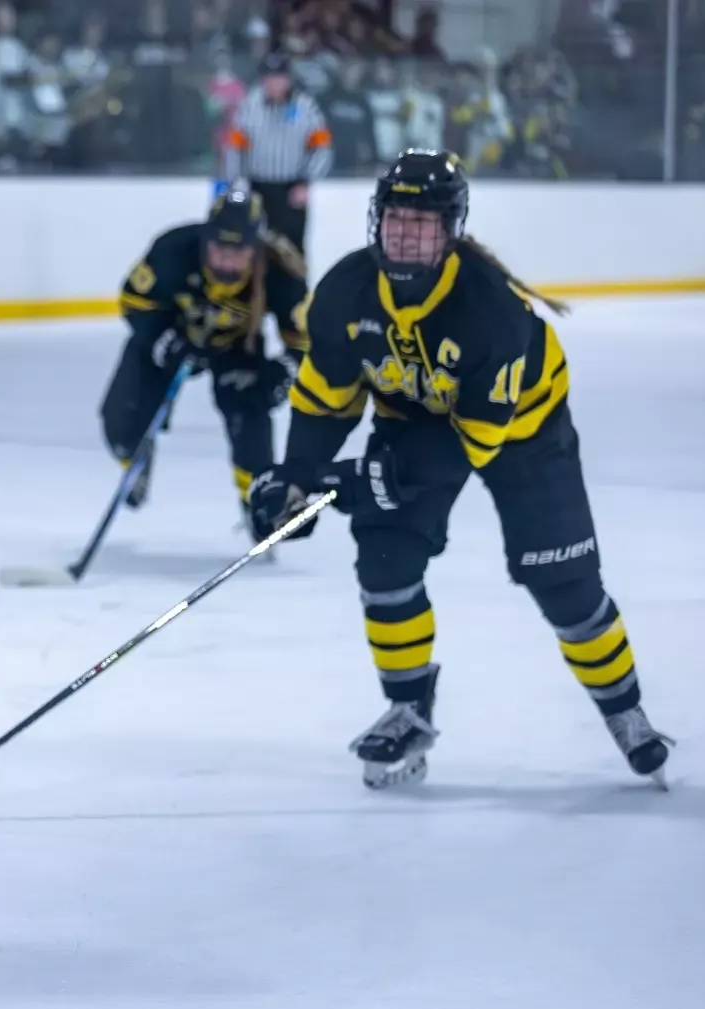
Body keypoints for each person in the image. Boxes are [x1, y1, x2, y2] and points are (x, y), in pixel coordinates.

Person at [246, 150, 671, 789]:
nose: (406, 232)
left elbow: (472, 441)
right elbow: (323, 399)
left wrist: (368, 478)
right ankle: (407, 710)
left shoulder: (488, 311)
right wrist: (297, 476)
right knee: (385, 558)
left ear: (450, 230)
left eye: (423, 221)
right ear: (376, 220)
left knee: (564, 583)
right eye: (395, 218)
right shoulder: (344, 293)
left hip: (524, 431)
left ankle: (625, 711)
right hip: (413, 418)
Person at [108, 185, 309, 517]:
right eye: (219, 248)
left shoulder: (282, 271)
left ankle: (258, 500)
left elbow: (307, 341)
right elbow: (133, 300)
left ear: (257, 250)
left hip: (236, 348)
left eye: (239, 251)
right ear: (205, 239)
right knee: (121, 421)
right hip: (171, 336)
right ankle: (134, 459)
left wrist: (284, 371)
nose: (227, 260)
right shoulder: (174, 249)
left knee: (249, 409)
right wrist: (163, 341)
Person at [219, 50, 332, 256]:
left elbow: (322, 149)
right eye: (269, 78)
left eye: (279, 78)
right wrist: (236, 181)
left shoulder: (306, 107)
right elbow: (234, 147)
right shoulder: (249, 105)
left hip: (291, 190)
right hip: (256, 188)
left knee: (292, 251)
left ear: (288, 79)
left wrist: (306, 183)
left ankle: (296, 288)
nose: (274, 84)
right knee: (254, 249)